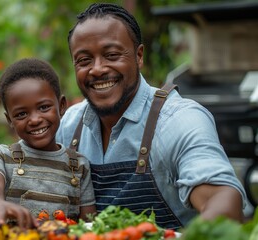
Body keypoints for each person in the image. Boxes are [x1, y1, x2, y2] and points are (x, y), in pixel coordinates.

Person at [56, 3, 247, 230]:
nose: (97, 69)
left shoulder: (178, 120)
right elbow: (16, 165)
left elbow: (223, 201)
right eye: (84, 60)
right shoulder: (69, 126)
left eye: (112, 55)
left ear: (138, 56)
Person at [0, 58, 96, 229]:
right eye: (21, 114)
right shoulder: (2, 156)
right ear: (9, 119)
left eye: (43, 108)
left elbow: (89, 224)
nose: (34, 120)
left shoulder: (79, 166)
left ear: (61, 106)